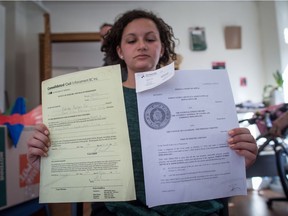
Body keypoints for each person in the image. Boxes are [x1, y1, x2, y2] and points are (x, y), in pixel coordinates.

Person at [27, 9, 258, 216]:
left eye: (150, 39)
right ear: (119, 50)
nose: (142, 45)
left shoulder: (197, 95)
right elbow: (78, 162)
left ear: (162, 48)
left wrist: (237, 159)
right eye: (131, 40)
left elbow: (219, 155)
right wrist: (51, 163)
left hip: (195, 209)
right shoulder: (97, 101)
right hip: (120, 211)